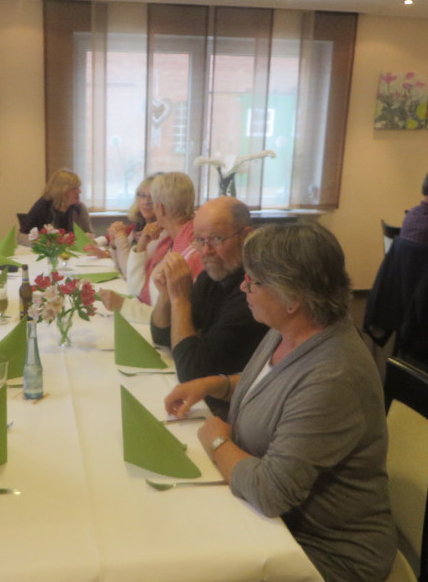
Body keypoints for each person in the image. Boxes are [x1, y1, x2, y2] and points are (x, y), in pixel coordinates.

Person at [165, 222, 396, 582]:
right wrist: (215, 384)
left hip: (323, 554)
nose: (244, 287)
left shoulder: (333, 374)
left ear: (293, 298)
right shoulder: (289, 330)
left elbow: (270, 492)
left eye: (254, 281)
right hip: (275, 525)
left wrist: (217, 441)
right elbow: (276, 386)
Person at [150, 197, 268, 417]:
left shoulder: (253, 291)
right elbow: (163, 336)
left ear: (246, 237)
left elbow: (192, 372)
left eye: (217, 238)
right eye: (199, 240)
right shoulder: (211, 277)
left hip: (237, 412)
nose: (206, 250)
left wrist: (180, 299)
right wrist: (166, 295)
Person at [99, 171, 202, 322]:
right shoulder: (174, 239)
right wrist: (141, 246)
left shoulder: (189, 249)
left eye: (152, 202)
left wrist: (124, 306)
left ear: (160, 208)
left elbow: (171, 318)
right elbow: (139, 290)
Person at [84, 174, 159, 276]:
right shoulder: (138, 226)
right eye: (143, 196)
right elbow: (121, 262)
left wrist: (120, 239)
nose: (146, 202)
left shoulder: (157, 232)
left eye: (152, 197)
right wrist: (114, 243)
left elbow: (130, 271)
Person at [18, 168, 93, 244]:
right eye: (74, 188)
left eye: (78, 187)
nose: (79, 191)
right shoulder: (43, 206)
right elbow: (22, 237)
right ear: (61, 190)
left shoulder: (79, 208)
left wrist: (87, 238)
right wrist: (47, 242)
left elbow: (90, 237)